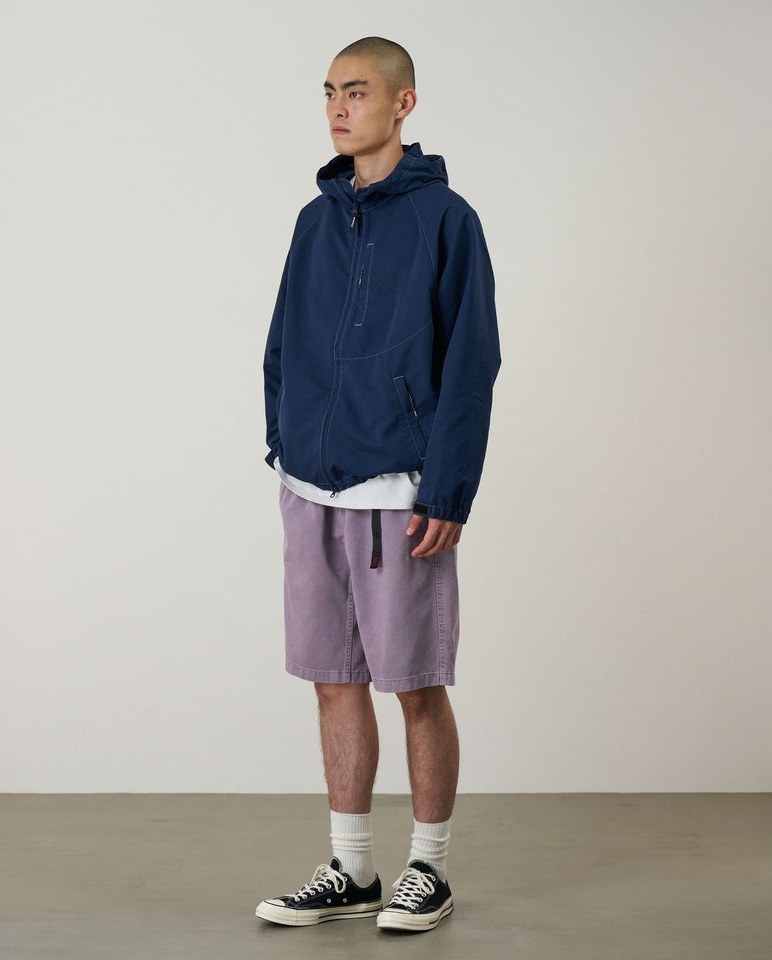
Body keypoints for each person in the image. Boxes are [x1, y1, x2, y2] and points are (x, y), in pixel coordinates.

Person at [256, 36, 500, 933]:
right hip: (312, 488)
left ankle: (428, 868)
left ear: (403, 103)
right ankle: (352, 869)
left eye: (356, 92)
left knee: (416, 684)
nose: (337, 107)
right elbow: (282, 341)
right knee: (332, 681)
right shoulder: (312, 221)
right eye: (329, 92)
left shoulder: (448, 221)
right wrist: (284, 442)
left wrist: (449, 489)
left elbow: (472, 362)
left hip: (401, 495)